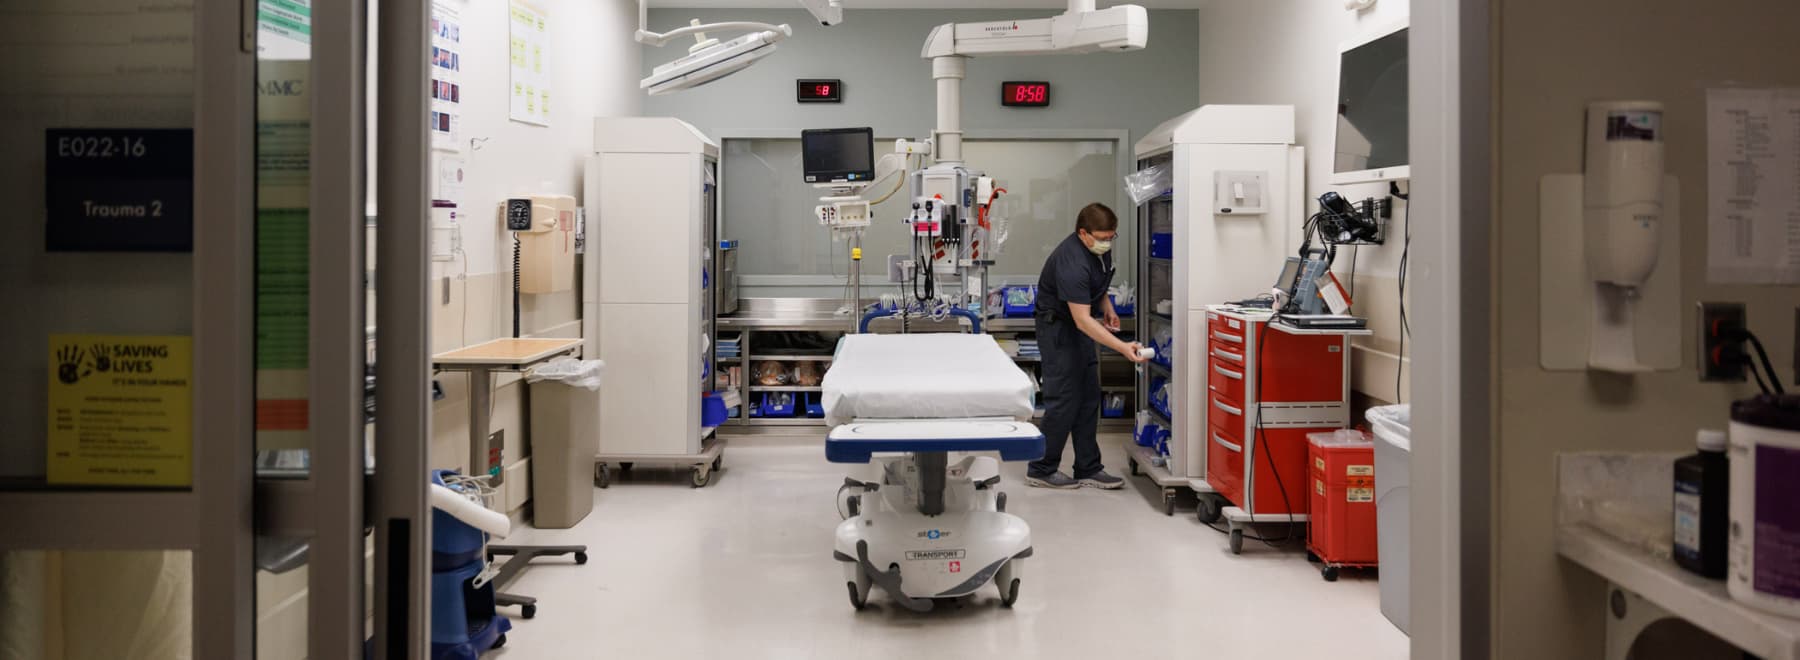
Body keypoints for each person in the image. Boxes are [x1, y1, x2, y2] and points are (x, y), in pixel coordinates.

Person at [1026, 203, 1147, 490]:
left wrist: (1106, 307)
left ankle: (1088, 467)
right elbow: (1081, 320)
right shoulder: (1072, 261)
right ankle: (1041, 468)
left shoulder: (1097, 250)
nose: (1107, 242)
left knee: (1089, 397)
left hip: (1077, 325)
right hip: (1058, 328)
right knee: (1064, 399)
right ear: (1083, 233)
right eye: (1102, 237)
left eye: (1111, 237)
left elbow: (1098, 283)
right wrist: (1122, 347)